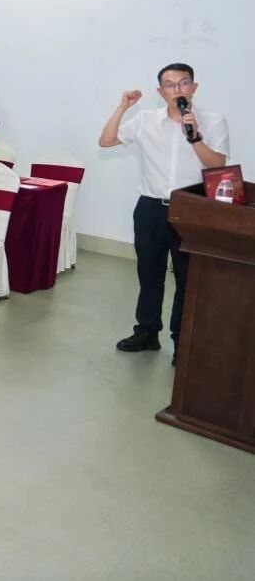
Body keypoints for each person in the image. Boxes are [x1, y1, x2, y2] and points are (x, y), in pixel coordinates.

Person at [98, 63, 230, 361]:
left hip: (192, 208)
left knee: (187, 279)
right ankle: (147, 332)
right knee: (149, 274)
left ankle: (182, 340)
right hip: (150, 209)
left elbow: (217, 165)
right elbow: (105, 141)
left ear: (194, 88)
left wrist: (195, 137)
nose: (177, 89)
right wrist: (122, 107)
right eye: (170, 85)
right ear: (161, 92)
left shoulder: (212, 121)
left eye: (184, 83)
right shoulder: (146, 120)